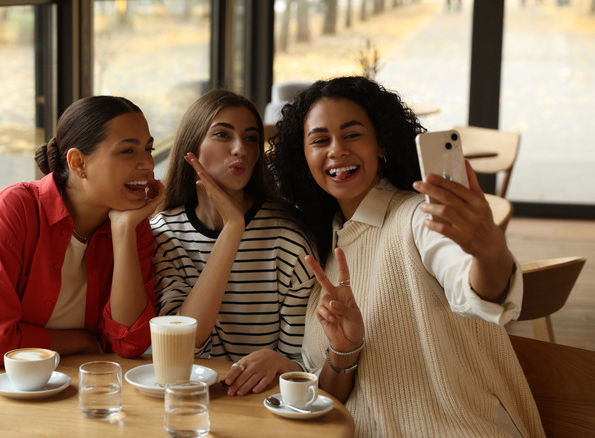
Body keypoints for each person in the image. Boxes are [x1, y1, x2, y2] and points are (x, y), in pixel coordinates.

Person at [267, 76, 544, 436]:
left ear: (381, 144)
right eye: (320, 140)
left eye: (352, 134)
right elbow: (331, 397)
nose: (336, 149)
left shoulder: (419, 218)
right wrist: (344, 353)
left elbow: (477, 292)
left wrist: (489, 252)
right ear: (304, 158)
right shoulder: (324, 252)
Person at [0, 96, 165, 380]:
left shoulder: (132, 224)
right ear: (78, 163)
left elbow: (130, 343)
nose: (148, 163)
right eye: (128, 151)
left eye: (148, 148)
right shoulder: (14, 210)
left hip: (73, 398)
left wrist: (124, 230)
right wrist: (82, 341)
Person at [151, 89, 316, 397]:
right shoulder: (164, 233)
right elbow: (181, 348)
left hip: (265, 402)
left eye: (251, 138)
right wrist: (232, 230)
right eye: (223, 134)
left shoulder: (288, 239)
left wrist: (280, 362)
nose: (240, 148)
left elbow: (304, 364)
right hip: (188, 400)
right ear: (192, 146)